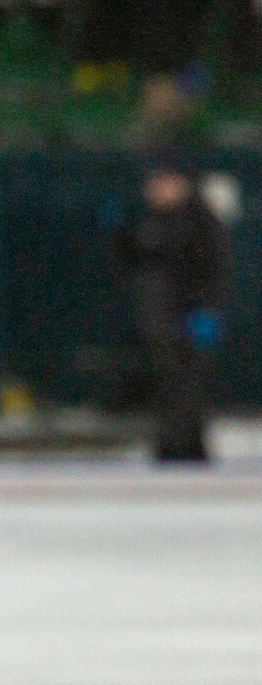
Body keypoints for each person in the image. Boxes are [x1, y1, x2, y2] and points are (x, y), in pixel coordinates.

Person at [111, 151, 231, 461]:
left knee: (189, 380)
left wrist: (205, 309)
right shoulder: (148, 220)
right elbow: (133, 259)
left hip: (190, 314)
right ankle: (169, 442)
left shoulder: (200, 222)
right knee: (165, 379)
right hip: (158, 316)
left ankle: (190, 444)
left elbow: (214, 268)